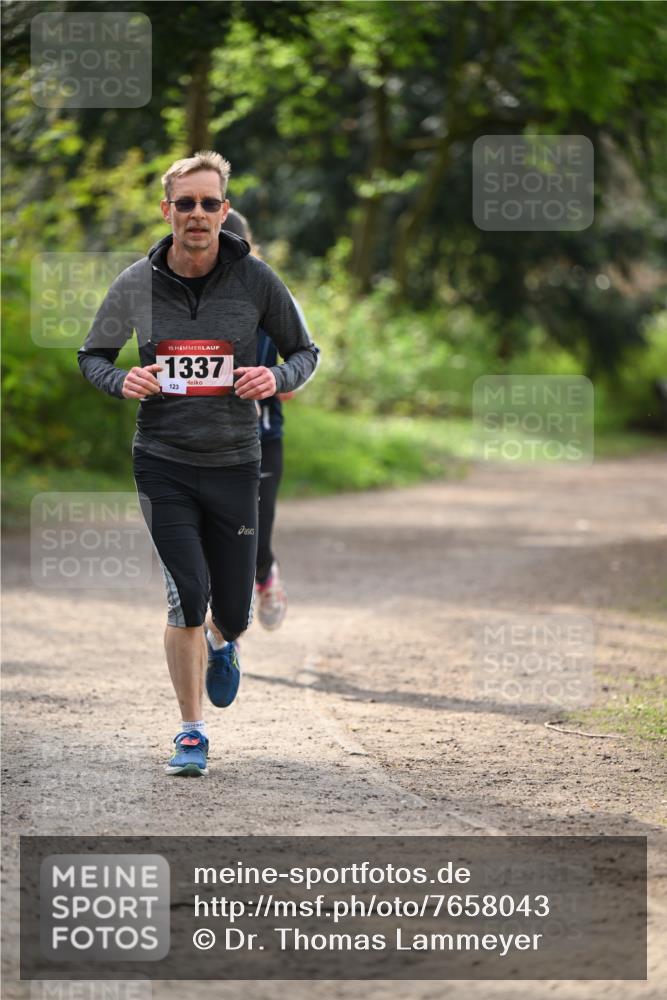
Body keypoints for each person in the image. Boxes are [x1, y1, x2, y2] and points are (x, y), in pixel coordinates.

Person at [77, 151, 319, 776]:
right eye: (185, 203)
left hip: (237, 460)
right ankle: (190, 733)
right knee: (186, 594)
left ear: (224, 210)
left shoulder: (257, 281)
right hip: (162, 460)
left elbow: (304, 351)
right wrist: (121, 379)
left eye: (210, 203)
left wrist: (275, 374)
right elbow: (93, 355)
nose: (198, 214)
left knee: (232, 610)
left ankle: (222, 642)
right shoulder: (135, 282)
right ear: (167, 211)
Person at [222, 209, 304, 630]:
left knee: (252, 530)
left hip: (261, 435)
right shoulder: (179, 294)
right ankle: (223, 627)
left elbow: (300, 367)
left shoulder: (275, 295)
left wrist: (271, 378)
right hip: (200, 437)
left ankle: (264, 576)